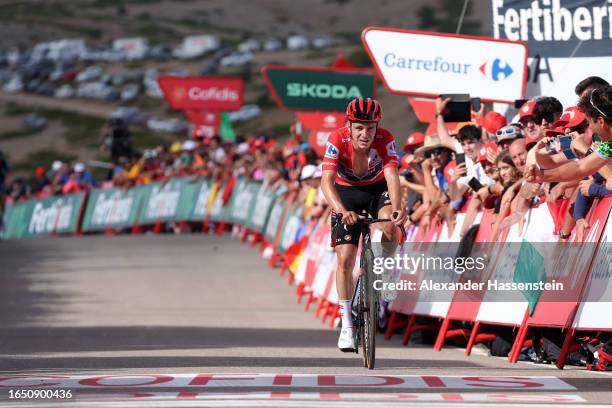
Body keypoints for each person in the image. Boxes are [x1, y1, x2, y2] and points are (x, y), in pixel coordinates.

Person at [320, 97, 406, 352]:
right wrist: (341, 210)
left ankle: (386, 271)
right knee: (345, 259)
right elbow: (326, 181)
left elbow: (392, 174)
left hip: (376, 190)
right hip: (346, 194)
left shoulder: (385, 138)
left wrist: (399, 208)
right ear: (349, 127)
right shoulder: (337, 140)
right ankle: (347, 324)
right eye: (359, 128)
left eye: (370, 127)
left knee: (391, 225)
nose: (365, 133)